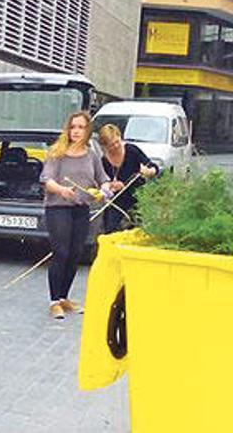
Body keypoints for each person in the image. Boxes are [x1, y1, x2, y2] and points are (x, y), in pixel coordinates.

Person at [40, 111, 110, 320]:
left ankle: (64, 297)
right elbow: (47, 180)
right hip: (58, 208)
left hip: (81, 208)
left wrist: (104, 190)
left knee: (75, 253)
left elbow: (102, 179)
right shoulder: (57, 152)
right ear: (67, 129)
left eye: (80, 127)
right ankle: (54, 302)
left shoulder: (91, 155)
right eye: (73, 127)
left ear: (87, 130)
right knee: (61, 252)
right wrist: (61, 190)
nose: (76, 131)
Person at [98, 124, 158, 233]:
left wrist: (149, 171)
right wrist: (111, 185)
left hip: (137, 197)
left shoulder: (132, 151)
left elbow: (153, 167)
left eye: (118, 141)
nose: (116, 146)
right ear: (105, 146)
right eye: (112, 145)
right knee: (110, 228)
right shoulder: (103, 161)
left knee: (139, 230)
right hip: (117, 201)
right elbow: (103, 182)